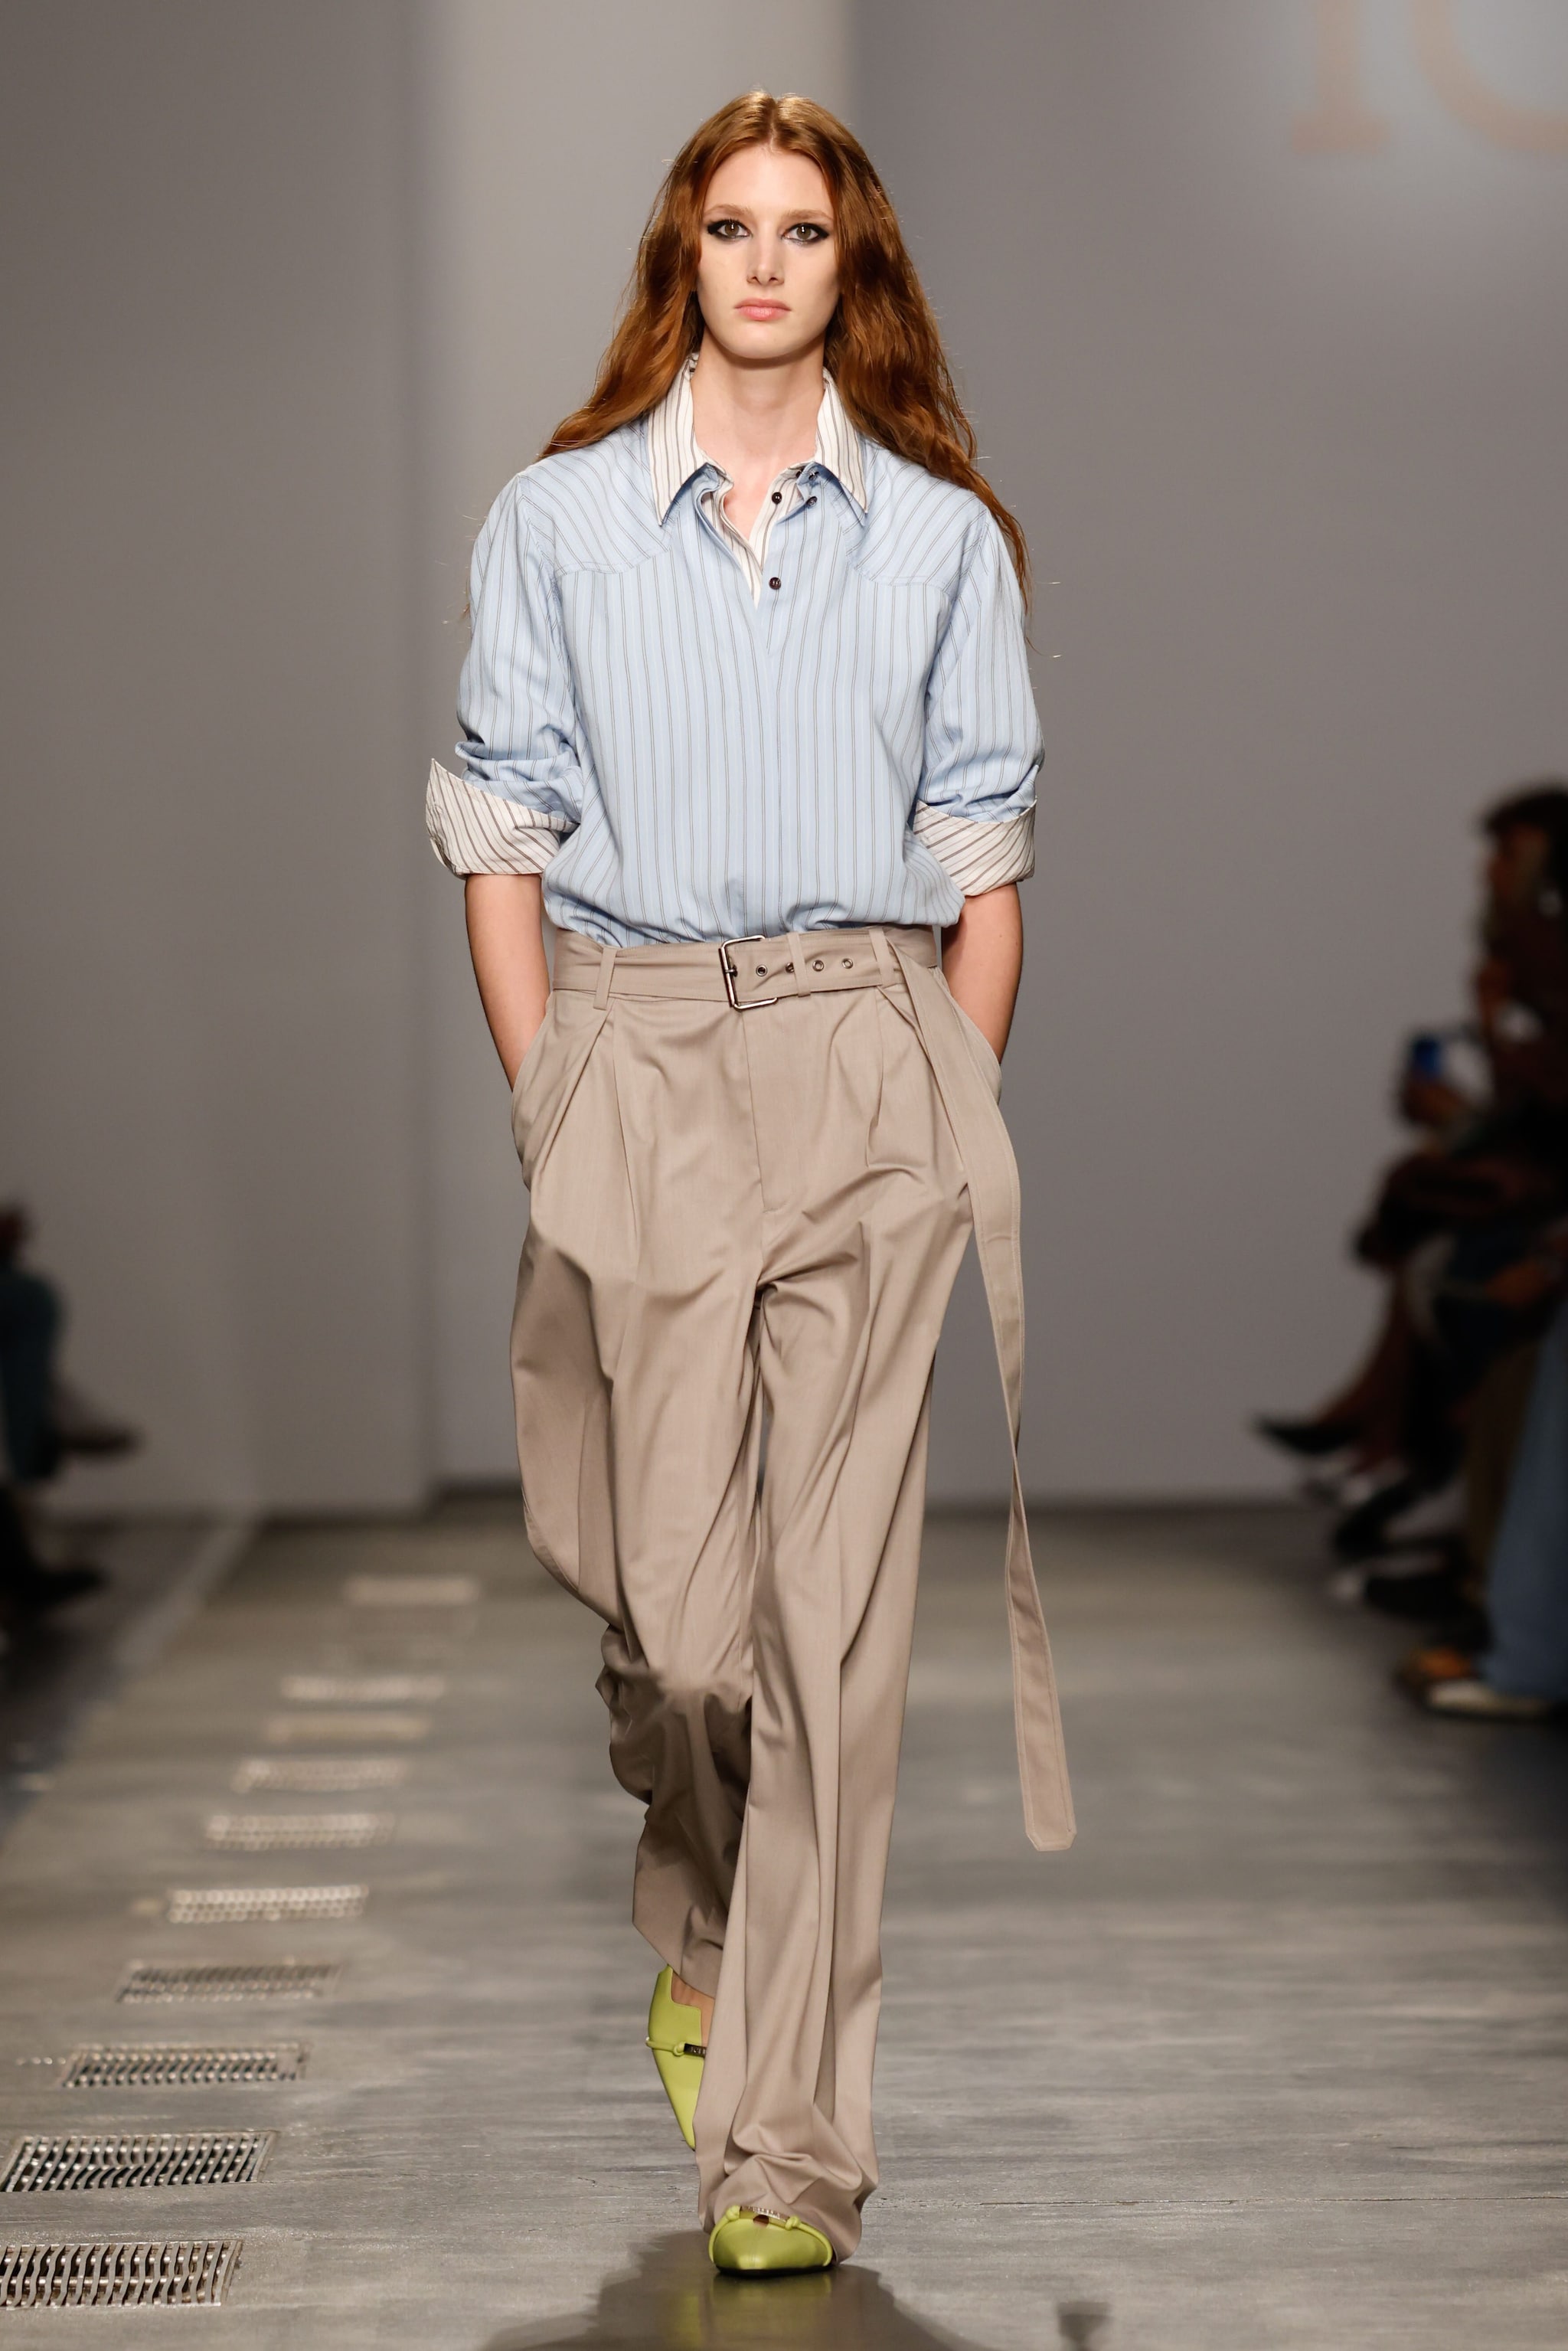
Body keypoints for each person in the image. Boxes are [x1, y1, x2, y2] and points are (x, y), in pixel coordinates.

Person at [425, 93, 1073, 2274]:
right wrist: (553, 1097)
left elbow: (984, 856)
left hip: (868, 1054)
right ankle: (703, 1923)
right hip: (633, 1056)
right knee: (681, 1632)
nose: (768, 262)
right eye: (733, 226)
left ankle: (787, 2145)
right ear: (681, 256)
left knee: (832, 1641)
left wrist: (943, 1105)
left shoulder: (941, 542)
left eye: (806, 229)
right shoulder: (560, 521)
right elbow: (502, 824)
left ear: (854, 264)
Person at [1256, 786, 1568, 1563]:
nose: (1489, 871)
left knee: (1447, 1258)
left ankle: (1397, 1452)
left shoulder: (1538, 958)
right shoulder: (1518, 957)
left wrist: (1483, 1052)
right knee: (1433, 1246)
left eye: (1507, 854)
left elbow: (1550, 1104)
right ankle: (1390, 1447)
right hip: (1537, 1194)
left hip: (1545, 1203)